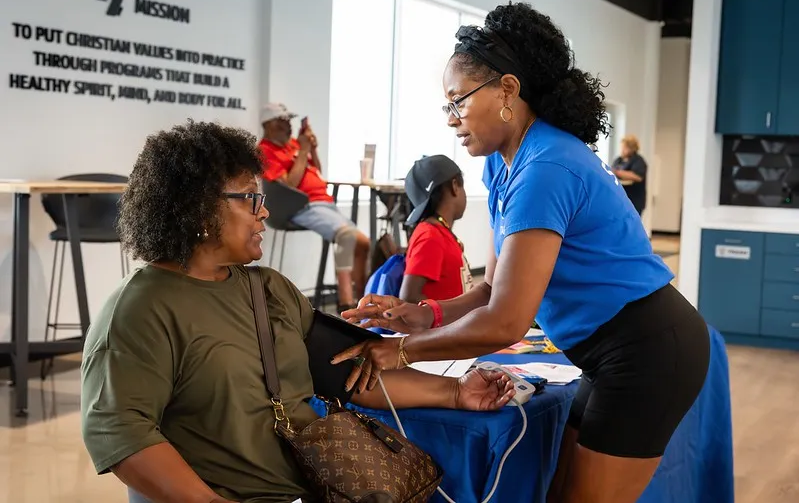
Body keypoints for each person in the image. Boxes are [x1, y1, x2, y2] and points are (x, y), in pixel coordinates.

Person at [333, 2, 710, 503]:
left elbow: (505, 323)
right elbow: (492, 288)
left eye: (458, 101)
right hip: (609, 353)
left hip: (647, 350)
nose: (451, 120)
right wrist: (424, 314)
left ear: (507, 90)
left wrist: (397, 351)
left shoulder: (546, 167)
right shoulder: (503, 165)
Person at [79, 120, 516, 503]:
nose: (263, 212)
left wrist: (456, 392)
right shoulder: (141, 309)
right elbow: (122, 434)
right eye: (250, 199)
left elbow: (351, 373)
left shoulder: (268, 289)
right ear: (200, 208)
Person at [259, 103, 370, 313]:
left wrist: (313, 150)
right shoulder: (265, 150)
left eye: (289, 121)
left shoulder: (293, 144)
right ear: (269, 124)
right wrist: (303, 150)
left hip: (324, 202)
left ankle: (365, 299)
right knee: (346, 237)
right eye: (283, 121)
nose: (289, 126)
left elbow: (316, 172)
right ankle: (346, 303)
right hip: (302, 206)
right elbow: (289, 185)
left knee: (363, 243)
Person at [400, 154, 472, 304]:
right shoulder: (431, 236)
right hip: (442, 327)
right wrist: (449, 313)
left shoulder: (440, 232)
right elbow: (409, 296)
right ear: (455, 186)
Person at [611, 134, 648, 215]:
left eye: (625, 148)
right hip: (621, 199)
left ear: (632, 149)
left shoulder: (638, 161)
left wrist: (618, 172)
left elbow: (637, 176)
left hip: (635, 201)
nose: (622, 150)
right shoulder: (619, 160)